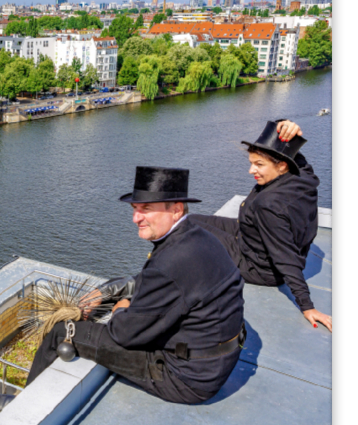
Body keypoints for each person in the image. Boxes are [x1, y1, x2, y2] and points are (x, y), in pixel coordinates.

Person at [26, 167, 245, 405]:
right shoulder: (199, 237)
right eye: (135, 209)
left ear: (176, 209)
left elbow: (123, 334)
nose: (135, 218)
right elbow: (160, 281)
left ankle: (24, 405)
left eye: (147, 209)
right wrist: (113, 289)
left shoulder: (170, 262)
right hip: (215, 361)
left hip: (185, 379)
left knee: (62, 331)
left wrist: (120, 307)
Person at [187, 119, 331, 332]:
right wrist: (287, 129)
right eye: (251, 162)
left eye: (259, 165)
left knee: (185, 233)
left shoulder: (269, 205)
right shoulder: (303, 176)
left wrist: (307, 306)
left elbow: (285, 257)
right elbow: (296, 158)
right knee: (187, 220)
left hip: (256, 264)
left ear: (281, 165)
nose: (251, 170)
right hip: (252, 234)